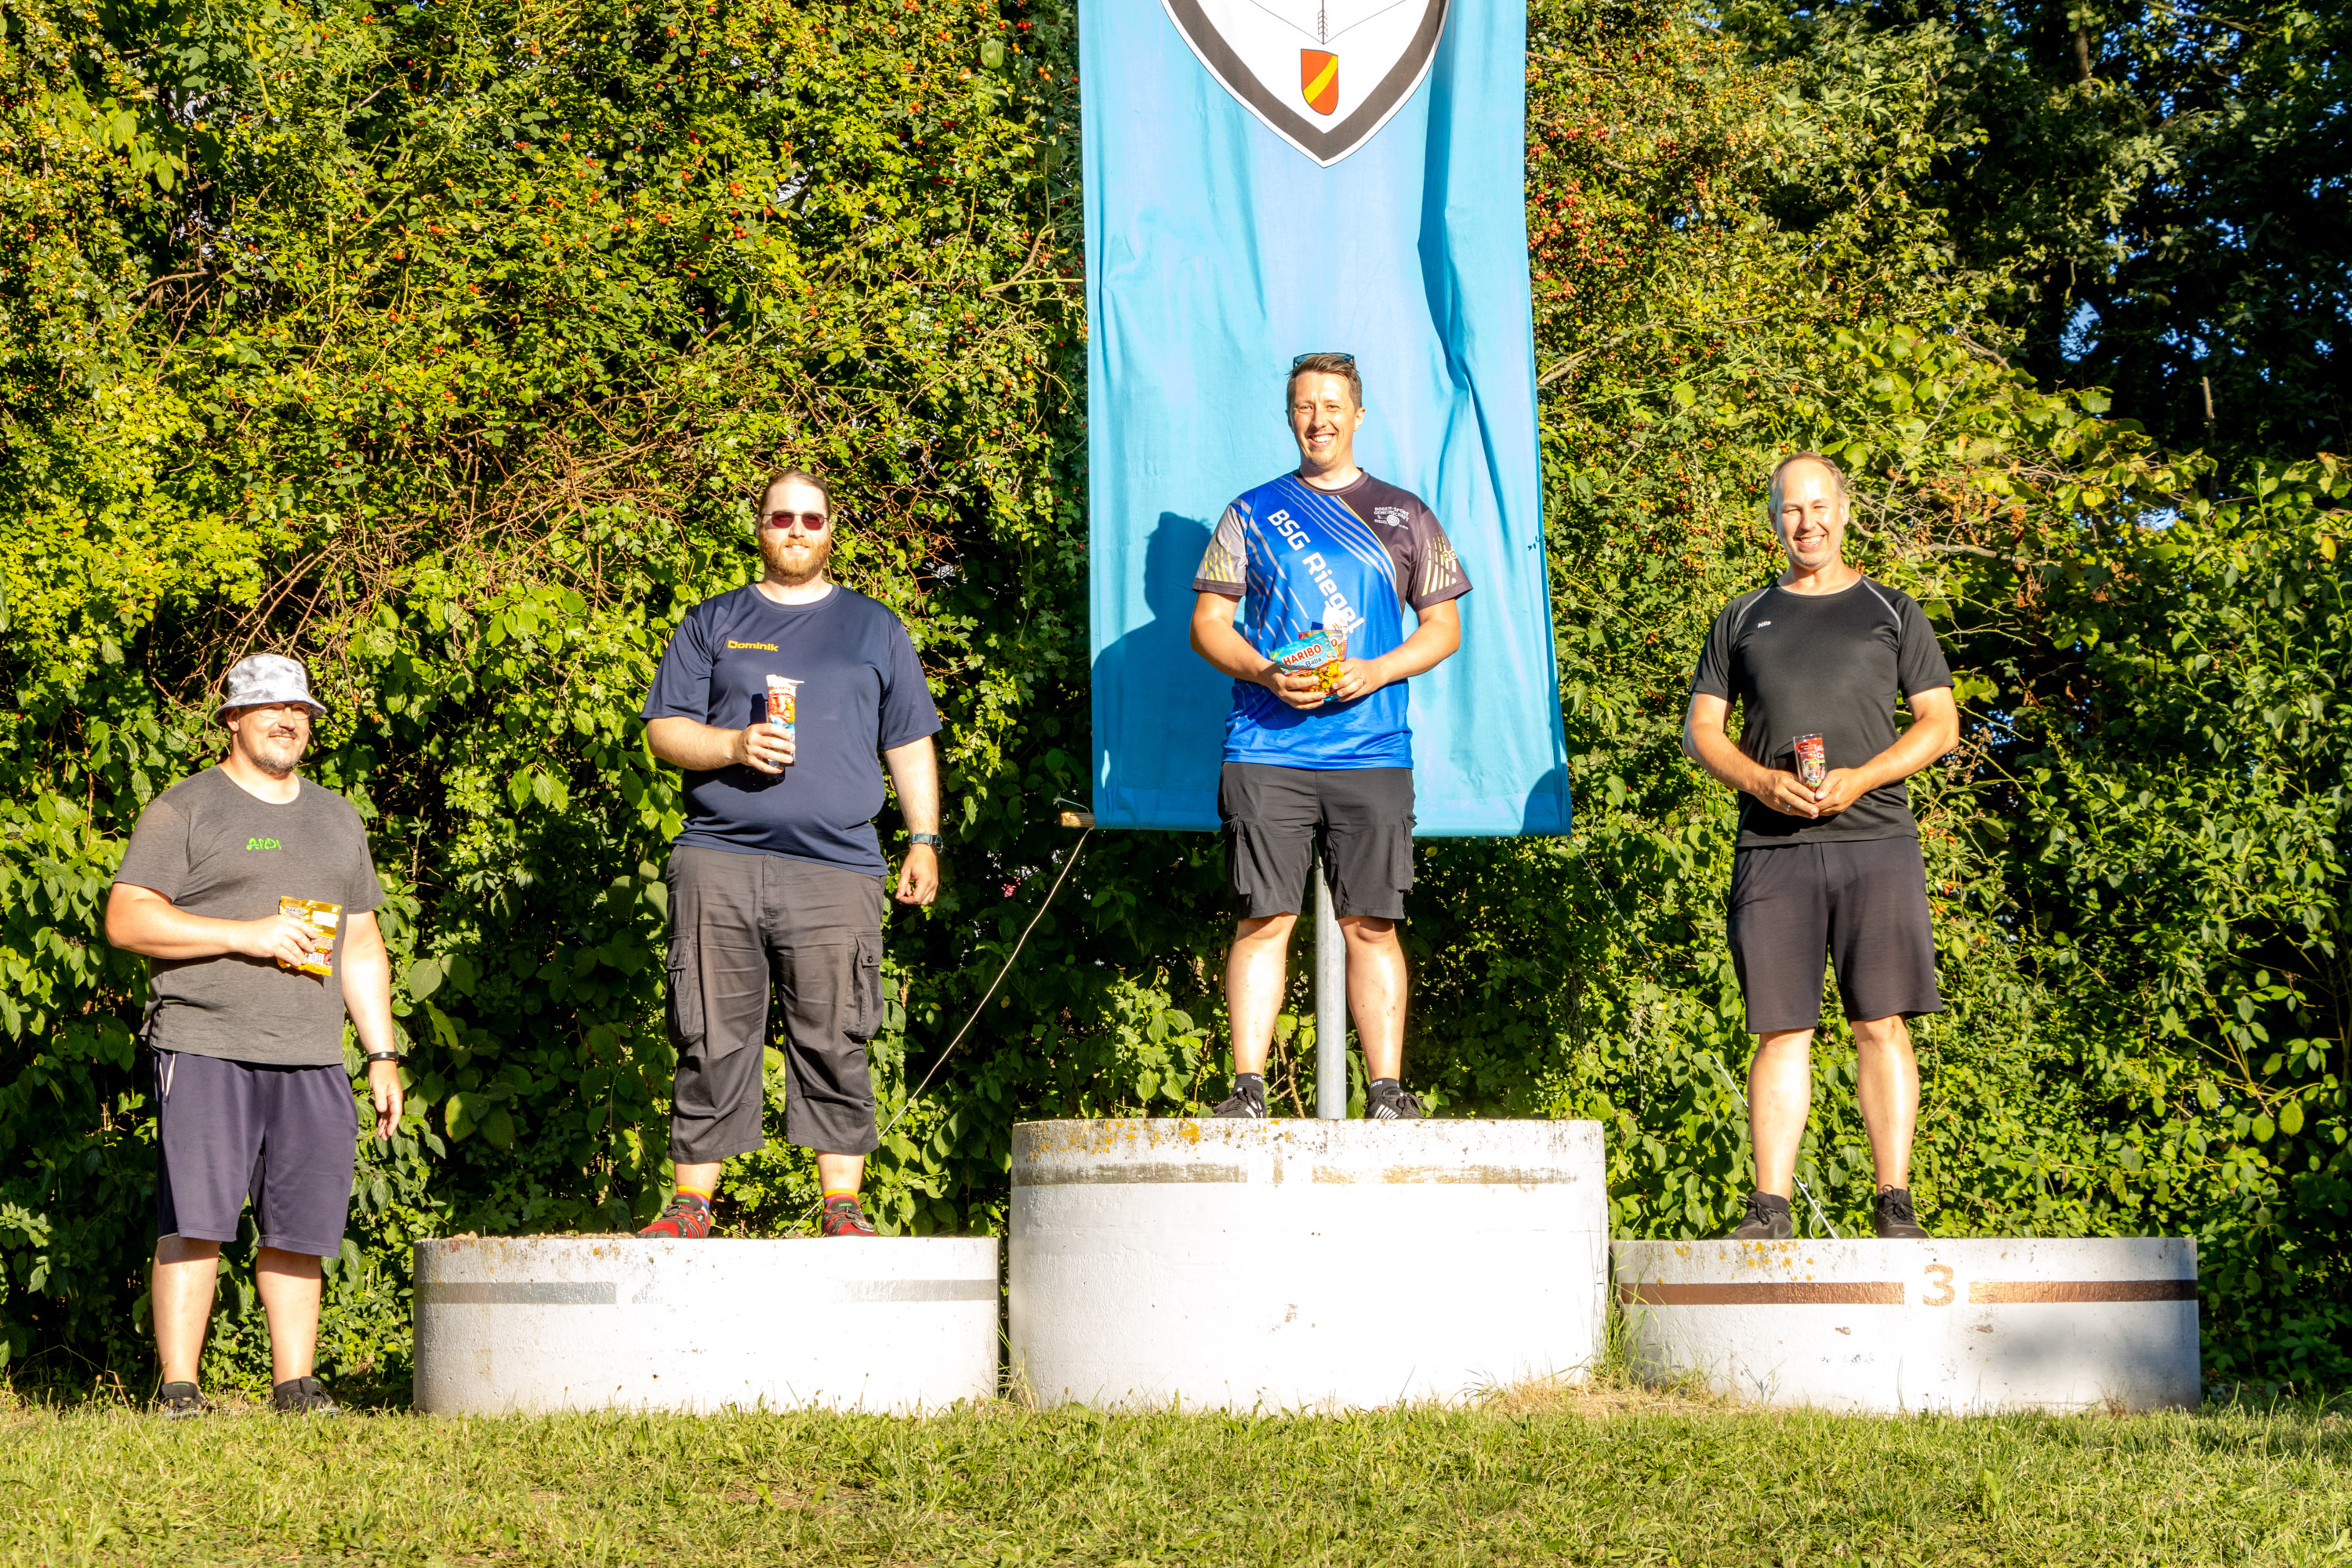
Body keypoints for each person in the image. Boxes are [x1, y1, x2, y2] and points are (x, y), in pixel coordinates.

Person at [636, 469, 942, 1240]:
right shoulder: (714, 620)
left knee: (837, 1033)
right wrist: (734, 745)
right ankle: (690, 1207)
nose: (797, 529)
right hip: (719, 856)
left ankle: (842, 1207)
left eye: (811, 517)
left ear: (831, 529)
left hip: (838, 865)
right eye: (782, 517)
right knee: (709, 1033)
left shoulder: (874, 627)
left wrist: (924, 838)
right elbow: (664, 730)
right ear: (760, 527)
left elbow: (909, 739)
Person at [106, 654, 404, 1417]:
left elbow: (361, 946)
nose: (288, 719)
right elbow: (127, 919)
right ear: (233, 718)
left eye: (300, 708)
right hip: (204, 1042)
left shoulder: (337, 817)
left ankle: (295, 1386)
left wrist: (381, 1053)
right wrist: (247, 934)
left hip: (311, 1054)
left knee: (301, 1227)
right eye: (271, 707)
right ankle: (180, 1389)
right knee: (196, 1220)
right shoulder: (186, 807)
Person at [1682, 452, 1959, 1240]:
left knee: (1882, 1023)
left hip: (1878, 840)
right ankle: (1770, 1207)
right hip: (1773, 848)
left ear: (1845, 510)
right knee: (1782, 1030)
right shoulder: (1741, 616)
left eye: (1819, 506)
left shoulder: (1892, 610)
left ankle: (1895, 1203)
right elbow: (1701, 730)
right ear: (1773, 521)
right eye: (1791, 510)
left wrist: (1863, 777)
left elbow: (1941, 724)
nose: (1807, 523)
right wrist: (1760, 783)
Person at [1189, 352, 1472, 1120]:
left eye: (1332, 405)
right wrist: (1264, 672)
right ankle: (1247, 1091)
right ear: (1290, 416)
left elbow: (1443, 627)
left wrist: (1376, 670)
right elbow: (1208, 623)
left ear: (1358, 414)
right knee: (1264, 919)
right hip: (1264, 749)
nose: (1318, 419)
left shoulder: (1407, 514)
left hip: (1372, 752)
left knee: (1372, 924)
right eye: (1305, 406)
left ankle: (1387, 1092)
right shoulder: (1249, 512)